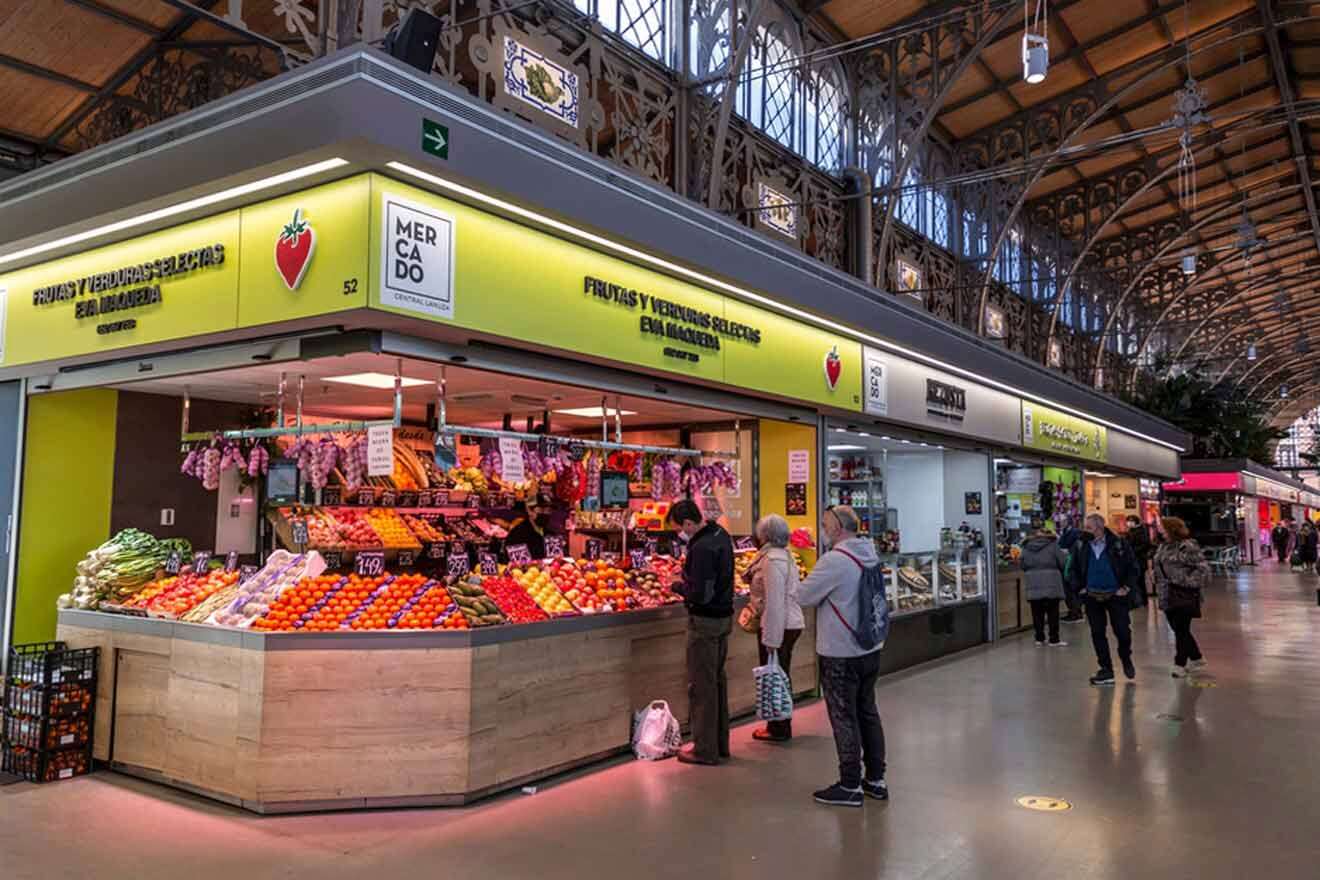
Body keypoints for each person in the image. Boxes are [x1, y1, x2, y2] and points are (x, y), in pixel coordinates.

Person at [797, 506, 887, 807]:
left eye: (824, 525)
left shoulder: (835, 561)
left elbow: (803, 596)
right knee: (867, 711)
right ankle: (876, 779)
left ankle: (850, 783)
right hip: (870, 646)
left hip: (840, 650)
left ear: (836, 529)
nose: (822, 531)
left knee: (843, 715)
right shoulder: (869, 553)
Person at [667, 499, 735, 766]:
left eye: (678, 529)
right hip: (723, 617)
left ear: (687, 523)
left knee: (702, 686)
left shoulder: (703, 547)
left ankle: (705, 750)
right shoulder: (720, 534)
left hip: (705, 622)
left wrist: (678, 587)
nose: (679, 534)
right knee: (717, 681)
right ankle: (720, 743)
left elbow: (701, 594)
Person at [743, 514, 805, 742]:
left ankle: (779, 727)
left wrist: (771, 638)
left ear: (765, 535)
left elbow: (775, 602)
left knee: (776, 675)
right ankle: (779, 723)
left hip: (779, 625)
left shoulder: (772, 561)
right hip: (787, 623)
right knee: (780, 674)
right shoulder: (784, 556)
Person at [1069, 513, 1141, 685]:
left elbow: (1133, 567)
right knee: (1097, 633)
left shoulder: (1118, 544)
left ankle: (1126, 658)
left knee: (1123, 632)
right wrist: (1079, 588)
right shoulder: (1080, 545)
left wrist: (1126, 587)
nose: (1085, 531)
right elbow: (1072, 569)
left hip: (1116, 595)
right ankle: (1106, 669)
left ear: (1099, 528)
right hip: (1092, 596)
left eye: (1089, 528)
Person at [1151, 517, 1209, 678]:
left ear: (1171, 528)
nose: (1158, 529)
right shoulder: (1163, 546)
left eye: (1161, 527)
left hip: (1184, 594)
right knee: (1177, 628)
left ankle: (1180, 663)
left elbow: (1202, 568)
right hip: (1166, 593)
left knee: (1181, 629)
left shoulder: (1187, 546)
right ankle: (1196, 657)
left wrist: (1187, 581)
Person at [1020, 527, 1067, 647]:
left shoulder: (1026, 546)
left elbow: (1023, 564)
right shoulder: (1053, 545)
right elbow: (1062, 562)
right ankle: (1054, 639)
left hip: (1033, 582)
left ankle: (1039, 638)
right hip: (1051, 582)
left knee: (1036, 612)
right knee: (1053, 612)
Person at [1056, 516, 1085, 622]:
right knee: (1071, 591)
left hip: (1071, 565)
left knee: (1071, 591)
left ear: (1068, 522)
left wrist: (1063, 548)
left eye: (1063, 521)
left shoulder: (1073, 533)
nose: (1060, 523)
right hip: (1070, 564)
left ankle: (1075, 613)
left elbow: (1065, 546)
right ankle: (1075, 612)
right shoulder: (1067, 532)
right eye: (1060, 521)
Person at [1124, 515, 1155, 596]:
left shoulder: (1142, 531)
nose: (1129, 523)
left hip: (1139, 559)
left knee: (1139, 580)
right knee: (1135, 579)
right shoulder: (1131, 530)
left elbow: (1145, 544)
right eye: (1128, 521)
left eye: (1131, 521)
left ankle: (1142, 599)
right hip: (1134, 559)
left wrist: (1132, 551)